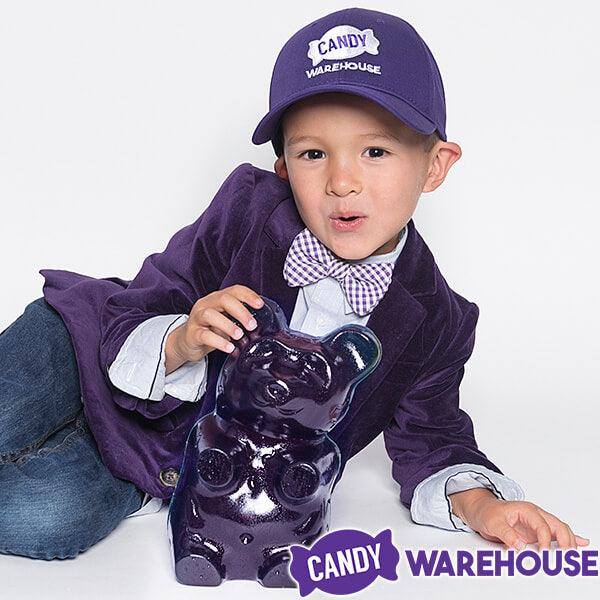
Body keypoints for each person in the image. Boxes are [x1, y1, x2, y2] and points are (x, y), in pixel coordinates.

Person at [0, 7, 588, 562]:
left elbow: (432, 437)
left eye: (375, 150)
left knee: (49, 518)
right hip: (83, 347)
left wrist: (484, 505)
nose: (341, 181)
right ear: (283, 167)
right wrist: (181, 339)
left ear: (435, 165)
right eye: (313, 154)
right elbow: (149, 296)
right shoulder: (246, 209)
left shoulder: (437, 319)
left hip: (150, 462)